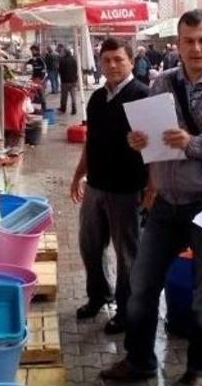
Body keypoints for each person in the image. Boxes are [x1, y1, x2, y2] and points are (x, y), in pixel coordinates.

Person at [100, 10, 202, 386]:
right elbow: (151, 140)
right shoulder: (162, 83)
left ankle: (200, 368)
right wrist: (138, 142)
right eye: (189, 41)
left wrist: (193, 143)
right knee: (140, 288)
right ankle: (140, 362)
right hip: (166, 203)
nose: (196, 48)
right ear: (178, 44)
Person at [70, 37, 151, 335]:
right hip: (97, 186)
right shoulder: (96, 98)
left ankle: (126, 310)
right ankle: (98, 295)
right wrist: (78, 174)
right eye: (107, 60)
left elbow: (155, 147)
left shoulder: (143, 95)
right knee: (90, 246)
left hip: (128, 190)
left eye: (119, 59)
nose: (113, 65)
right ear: (100, 63)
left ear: (131, 60)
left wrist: (152, 188)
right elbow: (91, 141)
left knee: (127, 254)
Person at [58, 46, 79, 115]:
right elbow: (76, 69)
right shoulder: (73, 59)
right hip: (73, 81)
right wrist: (76, 79)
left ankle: (63, 108)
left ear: (65, 53)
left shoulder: (62, 60)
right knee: (73, 96)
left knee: (64, 96)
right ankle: (74, 109)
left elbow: (60, 70)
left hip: (64, 81)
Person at [27, 44, 48, 111]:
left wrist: (42, 78)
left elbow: (44, 68)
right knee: (35, 92)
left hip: (39, 78)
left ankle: (43, 106)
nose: (32, 52)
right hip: (34, 78)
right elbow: (28, 63)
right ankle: (36, 107)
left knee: (40, 92)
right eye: (31, 51)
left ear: (37, 51)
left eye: (33, 50)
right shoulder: (33, 59)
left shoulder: (40, 58)